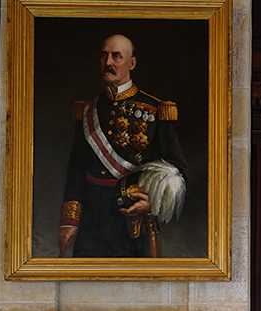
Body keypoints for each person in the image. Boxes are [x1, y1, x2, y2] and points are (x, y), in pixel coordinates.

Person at [57, 34, 189, 258]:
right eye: (104, 56)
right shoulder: (88, 111)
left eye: (116, 56)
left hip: (132, 217)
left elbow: (178, 169)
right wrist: (69, 221)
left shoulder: (155, 110)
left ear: (132, 63)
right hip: (92, 217)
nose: (108, 62)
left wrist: (152, 203)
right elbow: (76, 170)